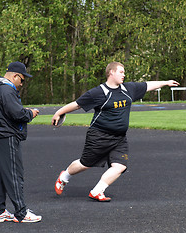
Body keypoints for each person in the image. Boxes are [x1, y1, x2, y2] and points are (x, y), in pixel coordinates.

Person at [52, 61, 179, 202]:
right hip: (99, 136)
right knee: (85, 164)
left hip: (119, 138)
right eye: (121, 72)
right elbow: (77, 105)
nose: (124, 75)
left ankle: (97, 191)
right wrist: (58, 112)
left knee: (120, 166)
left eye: (124, 72)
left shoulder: (128, 89)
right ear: (111, 72)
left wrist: (166, 82)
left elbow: (148, 85)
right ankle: (65, 176)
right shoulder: (99, 92)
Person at [0, 61, 42, 222]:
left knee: (0, 174)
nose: (22, 84)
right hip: (6, 135)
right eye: (22, 80)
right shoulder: (6, 90)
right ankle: (21, 212)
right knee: (13, 174)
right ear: (15, 76)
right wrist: (30, 113)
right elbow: (17, 114)